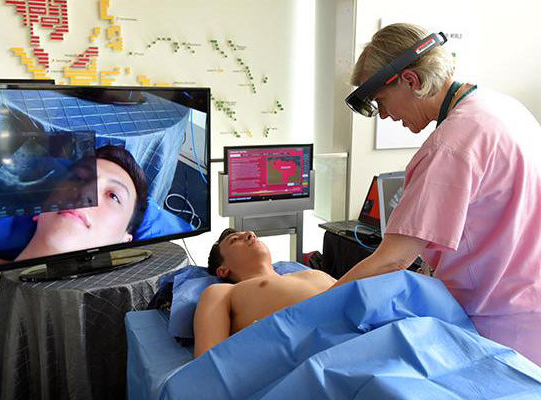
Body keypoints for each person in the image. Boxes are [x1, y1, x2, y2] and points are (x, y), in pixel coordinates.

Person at [333, 23, 541, 365]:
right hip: (529, 313)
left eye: (382, 102)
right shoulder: (505, 108)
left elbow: (393, 259)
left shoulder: (451, 146)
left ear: (411, 81)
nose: (385, 115)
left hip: (492, 325)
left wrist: (315, 306)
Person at [0, 145, 148, 271]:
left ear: (124, 242)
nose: (86, 194)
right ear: (39, 210)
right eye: (79, 178)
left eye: (113, 196)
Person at [193, 228, 336, 358]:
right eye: (235, 240)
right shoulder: (223, 292)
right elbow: (207, 363)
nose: (251, 234)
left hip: (353, 328)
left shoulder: (312, 273)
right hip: (322, 348)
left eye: (249, 234)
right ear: (223, 270)